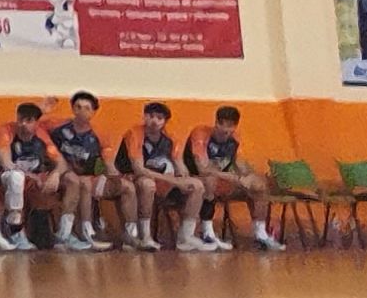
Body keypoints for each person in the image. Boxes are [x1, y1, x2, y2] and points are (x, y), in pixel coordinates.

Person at [191, 106, 283, 250]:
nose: (226, 129)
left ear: (235, 126)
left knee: (258, 185)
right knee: (210, 180)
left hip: (223, 182)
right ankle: (207, 232)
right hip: (196, 181)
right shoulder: (201, 134)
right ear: (216, 123)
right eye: (222, 124)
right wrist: (237, 179)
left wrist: (250, 177)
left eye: (231, 125)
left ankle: (261, 235)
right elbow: (203, 169)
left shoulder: (235, 140)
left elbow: (240, 163)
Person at [123, 100, 210, 252]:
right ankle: (145, 235)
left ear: (165, 122)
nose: (155, 121)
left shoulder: (170, 139)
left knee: (197, 185)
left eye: (159, 118)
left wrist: (183, 175)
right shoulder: (135, 134)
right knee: (148, 184)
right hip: (132, 178)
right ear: (144, 117)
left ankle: (186, 237)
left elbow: (178, 163)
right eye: (151, 116)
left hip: (163, 180)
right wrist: (173, 181)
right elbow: (139, 169)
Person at [47, 92, 119, 251]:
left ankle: (89, 231)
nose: (82, 111)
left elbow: (106, 163)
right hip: (60, 174)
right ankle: (65, 235)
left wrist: (112, 177)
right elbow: (33, 126)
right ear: (72, 109)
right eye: (78, 107)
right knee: (77, 181)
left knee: (88, 183)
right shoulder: (57, 127)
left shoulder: (99, 135)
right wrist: (43, 110)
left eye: (87, 108)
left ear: (93, 112)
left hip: (87, 177)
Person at [0, 101, 58, 251]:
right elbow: (6, 164)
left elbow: (60, 161)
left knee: (52, 183)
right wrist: (32, 176)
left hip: (29, 181)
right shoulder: (5, 132)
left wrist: (56, 174)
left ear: (37, 123)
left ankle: (59, 235)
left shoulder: (42, 137)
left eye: (29, 121)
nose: (23, 124)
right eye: (20, 119)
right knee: (16, 176)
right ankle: (15, 230)